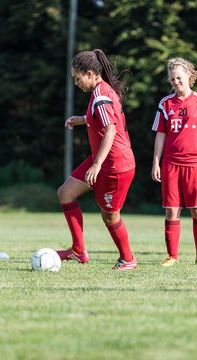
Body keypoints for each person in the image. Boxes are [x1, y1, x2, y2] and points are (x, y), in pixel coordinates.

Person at [57, 49, 137, 270]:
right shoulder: (102, 92)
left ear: (90, 73)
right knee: (65, 193)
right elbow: (105, 118)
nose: (76, 83)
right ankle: (77, 251)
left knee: (110, 218)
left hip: (115, 165)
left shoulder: (101, 95)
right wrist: (82, 119)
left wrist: (97, 164)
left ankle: (128, 260)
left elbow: (110, 129)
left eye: (77, 78)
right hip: (102, 160)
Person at [151, 57, 197, 267]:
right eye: (172, 79)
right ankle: (172, 257)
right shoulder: (165, 103)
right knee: (172, 209)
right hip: (171, 163)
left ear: (189, 74)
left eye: (179, 77)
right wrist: (156, 162)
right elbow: (160, 134)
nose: (176, 82)